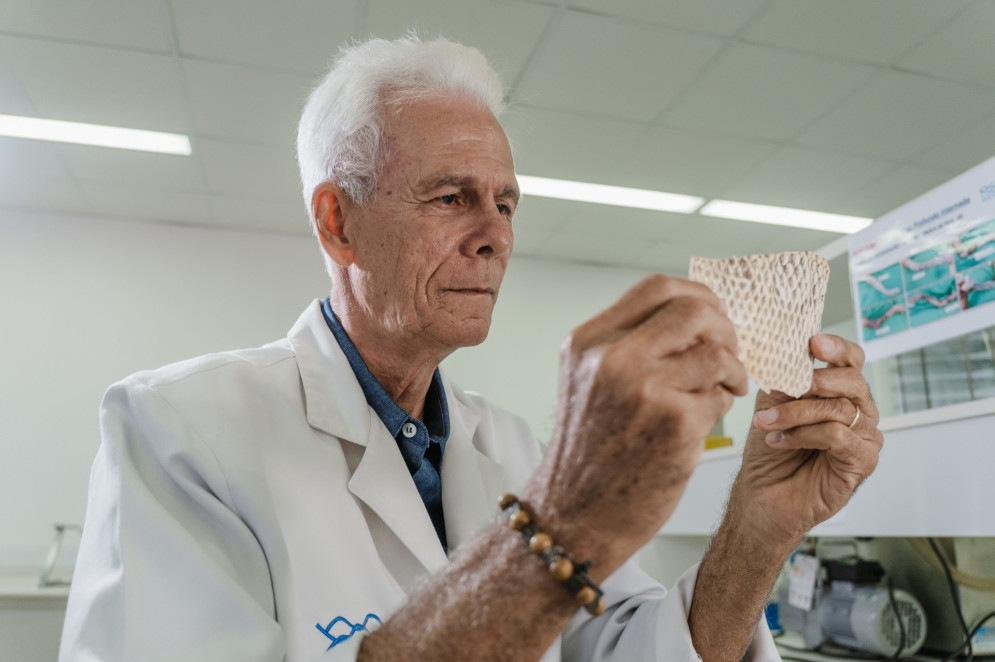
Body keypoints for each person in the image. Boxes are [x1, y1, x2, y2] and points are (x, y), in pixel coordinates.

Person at [59, 36, 883, 662]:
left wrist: (761, 523)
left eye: (506, 203)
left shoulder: (515, 447)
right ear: (337, 222)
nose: (494, 237)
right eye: (451, 197)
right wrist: (561, 524)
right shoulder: (179, 429)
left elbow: (634, 648)